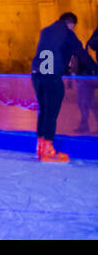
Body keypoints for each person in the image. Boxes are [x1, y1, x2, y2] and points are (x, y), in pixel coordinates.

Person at [30, 11, 96, 162]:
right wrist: (94, 68)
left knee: (44, 111)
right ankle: (48, 149)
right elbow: (80, 53)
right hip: (51, 76)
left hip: (36, 74)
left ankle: (40, 146)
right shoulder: (68, 33)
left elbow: (52, 52)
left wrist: (63, 68)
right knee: (52, 113)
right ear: (71, 24)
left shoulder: (45, 31)